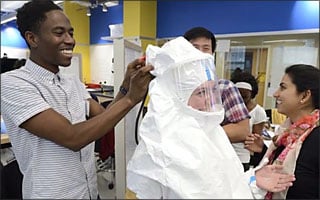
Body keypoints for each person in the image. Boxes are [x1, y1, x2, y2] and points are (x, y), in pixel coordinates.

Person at [0, 0, 153, 199]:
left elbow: (104, 118)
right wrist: (130, 99)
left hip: (88, 191)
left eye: (70, 33)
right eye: (59, 33)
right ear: (32, 38)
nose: (70, 40)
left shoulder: (72, 82)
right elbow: (72, 137)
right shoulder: (13, 84)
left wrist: (125, 86)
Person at [126, 37, 295, 199]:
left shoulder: (212, 133)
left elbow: (222, 186)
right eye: (200, 93)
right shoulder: (161, 146)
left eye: (211, 91)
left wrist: (252, 180)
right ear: (176, 99)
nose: (208, 100)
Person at [184, 27, 250, 170]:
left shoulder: (224, 88)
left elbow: (243, 130)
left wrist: (195, 134)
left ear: (212, 54)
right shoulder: (175, 88)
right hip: (181, 162)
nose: (200, 53)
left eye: (205, 48)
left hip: (215, 165)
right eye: (194, 47)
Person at [255, 64, 319, 199]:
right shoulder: (286, 135)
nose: (275, 94)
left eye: (283, 87)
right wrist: (260, 152)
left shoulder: (316, 138)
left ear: (305, 95)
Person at [231, 71, 268, 171]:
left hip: (242, 158)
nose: (240, 101)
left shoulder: (258, 112)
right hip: (224, 155)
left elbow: (254, 141)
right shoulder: (228, 108)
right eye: (238, 97)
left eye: (245, 97)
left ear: (252, 95)